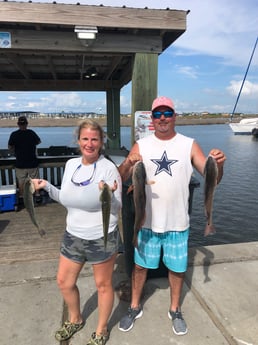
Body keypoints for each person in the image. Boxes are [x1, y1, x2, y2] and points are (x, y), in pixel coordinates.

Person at [118, 96, 226, 336]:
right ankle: (134, 306)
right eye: (158, 114)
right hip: (146, 222)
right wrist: (128, 162)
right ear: (152, 119)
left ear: (175, 116)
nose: (163, 118)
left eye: (167, 113)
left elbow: (212, 179)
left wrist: (219, 164)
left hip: (178, 223)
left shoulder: (189, 144)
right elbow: (121, 177)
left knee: (177, 270)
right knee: (139, 267)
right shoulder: (141, 145)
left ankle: (175, 309)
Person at [32, 119, 122, 345]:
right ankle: (75, 319)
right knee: (64, 281)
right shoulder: (71, 164)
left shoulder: (108, 168)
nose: (89, 144)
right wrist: (47, 186)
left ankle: (101, 330)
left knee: (103, 286)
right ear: (78, 140)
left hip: (101, 236)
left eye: (94, 139)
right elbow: (67, 198)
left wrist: (109, 195)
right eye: (85, 139)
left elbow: (119, 206)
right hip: (73, 235)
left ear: (101, 142)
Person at [8, 115, 42, 203]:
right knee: (35, 180)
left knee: (21, 181)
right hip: (32, 162)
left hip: (20, 163)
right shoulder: (31, 133)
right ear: (27, 124)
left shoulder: (14, 134)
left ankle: (21, 196)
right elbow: (38, 141)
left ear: (18, 124)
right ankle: (37, 195)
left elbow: (10, 147)